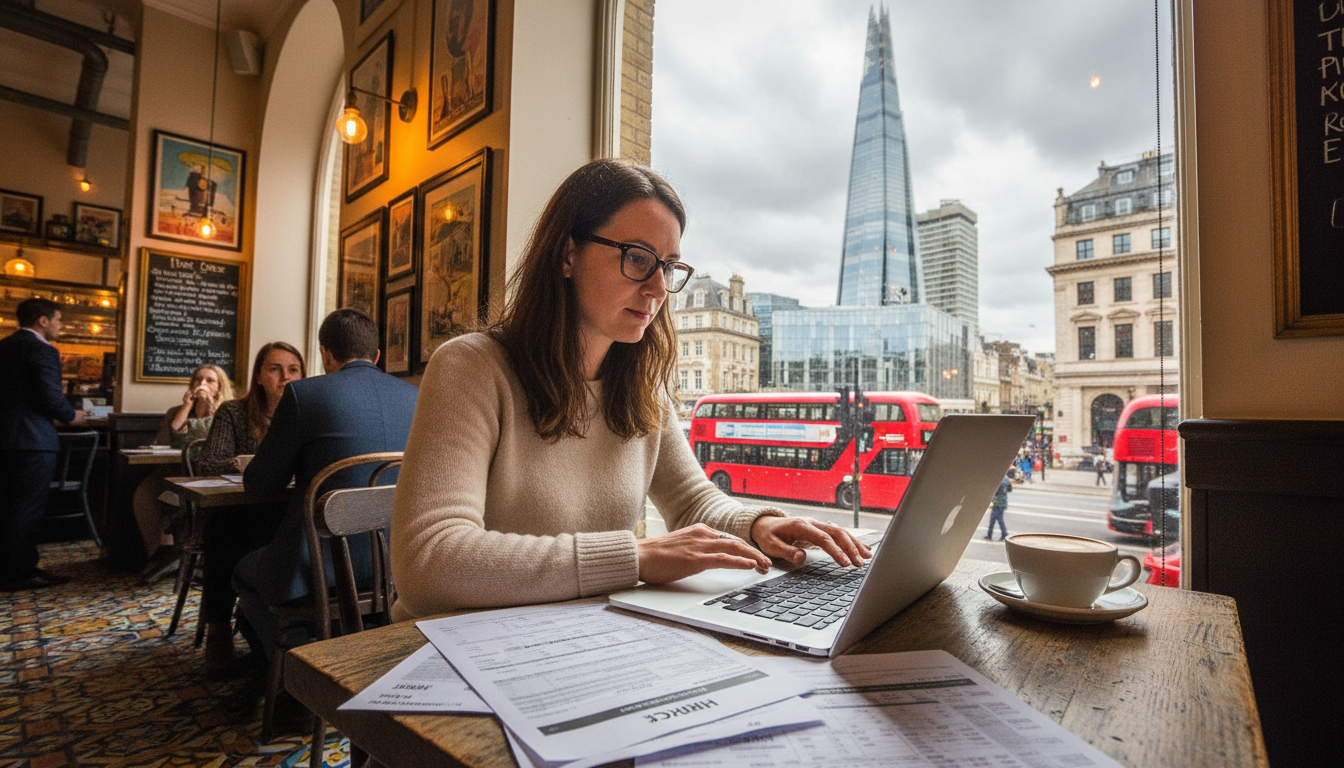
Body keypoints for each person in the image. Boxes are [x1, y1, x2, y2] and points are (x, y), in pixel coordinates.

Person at [390, 158, 870, 620]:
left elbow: (692, 502)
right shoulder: (472, 368)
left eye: (669, 266)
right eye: (638, 258)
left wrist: (760, 526)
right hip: (453, 651)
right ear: (566, 254)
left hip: (581, 637)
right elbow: (430, 561)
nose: (659, 287)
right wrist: (635, 557)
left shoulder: (641, 385)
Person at [235, 309, 419, 659]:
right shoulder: (415, 397)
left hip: (320, 570)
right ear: (377, 355)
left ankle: (292, 666)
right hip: (398, 565)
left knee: (243, 570)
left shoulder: (304, 395)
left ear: (325, 354)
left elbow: (259, 484)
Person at [197, 342, 305, 678]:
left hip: (284, 511)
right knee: (224, 531)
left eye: (293, 370)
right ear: (259, 375)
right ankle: (218, 630)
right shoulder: (234, 412)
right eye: (275, 369)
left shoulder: (306, 411)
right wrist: (250, 463)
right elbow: (208, 464)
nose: (284, 377)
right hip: (239, 508)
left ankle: (261, 630)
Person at [1, 298, 86, 590]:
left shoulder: (3, 346)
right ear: (43, 320)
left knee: (7, 507)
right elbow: (51, 398)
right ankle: (21, 572)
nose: (61, 326)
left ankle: (11, 568)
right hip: (32, 441)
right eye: (59, 320)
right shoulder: (42, 350)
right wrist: (71, 416)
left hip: (5, 440)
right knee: (27, 509)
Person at [135, 364, 234, 583]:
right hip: (175, 472)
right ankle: (162, 552)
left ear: (219, 387)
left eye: (209, 380)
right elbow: (163, 442)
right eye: (198, 379)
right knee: (146, 490)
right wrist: (186, 408)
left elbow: (219, 445)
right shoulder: (176, 411)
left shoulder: (226, 413)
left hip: (208, 478)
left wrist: (211, 410)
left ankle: (181, 555)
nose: (202, 385)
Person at [985, 473, 1011, 541]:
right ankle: (990, 534)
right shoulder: (1006, 478)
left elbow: (996, 490)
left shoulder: (1000, 479)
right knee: (995, 519)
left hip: (999, 503)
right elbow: (1010, 489)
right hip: (1002, 502)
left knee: (996, 519)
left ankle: (1003, 534)